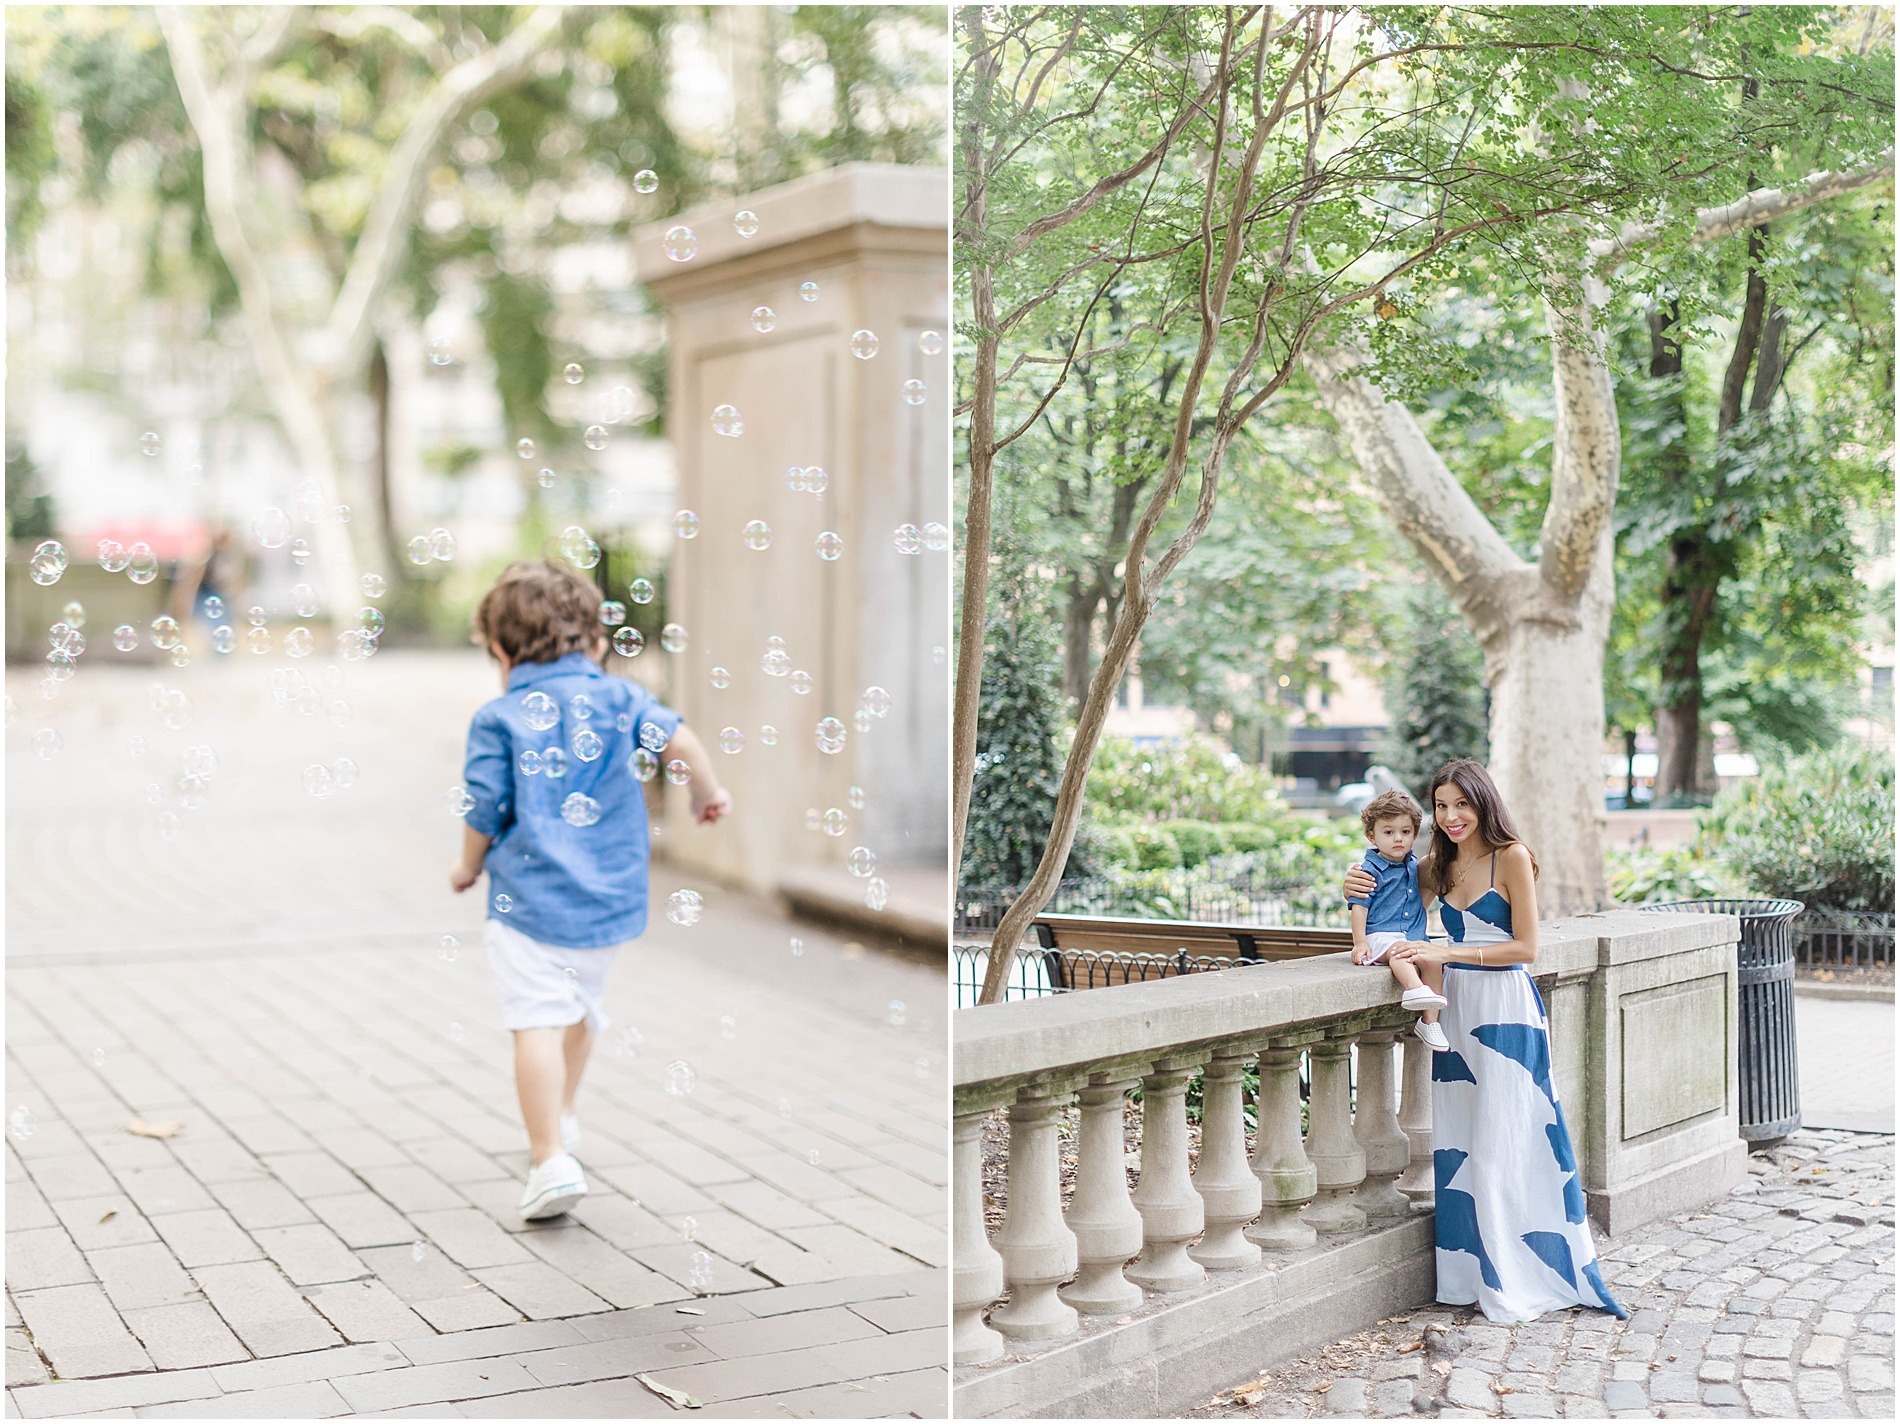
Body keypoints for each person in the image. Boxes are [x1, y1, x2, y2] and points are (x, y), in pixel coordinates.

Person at [452, 560, 731, 1222]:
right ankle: (565, 1114)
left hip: (527, 904)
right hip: (608, 900)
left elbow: (483, 806)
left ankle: (549, 1157)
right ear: (599, 643)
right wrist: (708, 792)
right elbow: (681, 740)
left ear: (498, 650)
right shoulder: (621, 699)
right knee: (580, 1010)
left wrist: (467, 866)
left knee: (536, 1021)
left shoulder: (498, 716)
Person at [1343, 758, 1626, 1326]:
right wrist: (1353, 881)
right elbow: (1384, 897)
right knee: (1463, 1144)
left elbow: (1526, 949)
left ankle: (1520, 1273)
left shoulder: (1510, 856)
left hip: (1504, 1007)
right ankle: (1468, 1275)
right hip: (1453, 1011)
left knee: (1508, 1137)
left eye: (1461, 805)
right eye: (1441, 807)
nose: (1450, 817)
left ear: (1483, 804)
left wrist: (1445, 952)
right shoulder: (1436, 866)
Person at [1345, 788, 1449, 1050]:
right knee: (1400, 953)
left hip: (1411, 937)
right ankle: (1414, 987)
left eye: (1405, 832)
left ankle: (1430, 1022)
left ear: (1415, 835)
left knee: (1433, 961)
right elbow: (1359, 907)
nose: (1398, 839)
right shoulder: (1369, 870)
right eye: (1388, 832)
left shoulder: (1414, 866)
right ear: (1372, 836)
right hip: (1381, 937)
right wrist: (1359, 943)